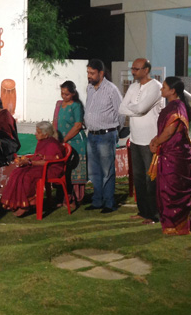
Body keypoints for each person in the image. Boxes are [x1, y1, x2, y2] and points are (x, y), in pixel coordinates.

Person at [119, 58, 164, 225]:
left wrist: (133, 109)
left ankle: (155, 215)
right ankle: (143, 211)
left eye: (137, 69)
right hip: (135, 139)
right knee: (138, 178)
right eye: (133, 69)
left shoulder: (156, 87)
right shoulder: (132, 86)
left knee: (151, 179)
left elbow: (142, 108)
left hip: (150, 140)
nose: (133, 72)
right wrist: (135, 110)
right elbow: (121, 108)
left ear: (146, 70)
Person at [149, 76, 191, 236]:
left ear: (172, 90)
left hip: (175, 156)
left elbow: (170, 131)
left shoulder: (177, 108)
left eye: (164, 87)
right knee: (164, 190)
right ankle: (169, 224)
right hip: (168, 153)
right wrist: (156, 140)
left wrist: (156, 143)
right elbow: (165, 131)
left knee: (172, 191)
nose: (161, 89)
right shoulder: (173, 106)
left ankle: (177, 226)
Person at [0, 121, 65, 217]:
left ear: (46, 134)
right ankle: (17, 202)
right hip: (40, 166)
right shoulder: (42, 141)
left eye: (38, 132)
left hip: (51, 169)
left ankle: (28, 203)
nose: (35, 134)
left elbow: (47, 161)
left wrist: (30, 162)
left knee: (27, 176)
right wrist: (27, 160)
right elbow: (37, 157)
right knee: (17, 172)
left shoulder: (52, 144)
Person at [84, 59, 124, 213]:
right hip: (92, 135)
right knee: (94, 171)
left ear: (101, 73)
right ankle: (97, 200)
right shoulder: (89, 88)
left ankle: (109, 203)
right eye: (88, 72)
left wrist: (115, 131)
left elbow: (120, 113)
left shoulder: (111, 89)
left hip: (106, 135)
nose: (89, 76)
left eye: (92, 73)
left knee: (107, 171)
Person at [53, 80, 87, 206]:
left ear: (73, 93)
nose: (64, 96)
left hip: (76, 142)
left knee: (74, 171)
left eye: (67, 94)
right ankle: (62, 197)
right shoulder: (58, 105)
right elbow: (54, 122)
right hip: (61, 142)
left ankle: (75, 198)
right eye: (62, 93)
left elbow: (78, 125)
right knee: (61, 170)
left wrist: (65, 140)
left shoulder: (76, 105)